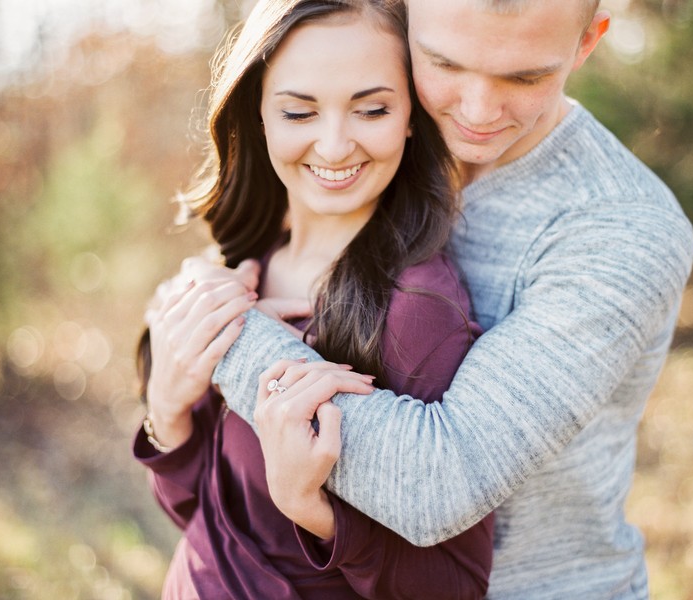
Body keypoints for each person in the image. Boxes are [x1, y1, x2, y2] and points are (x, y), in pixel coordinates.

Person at [164, 0, 693, 598]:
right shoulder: (370, 157)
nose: (476, 112)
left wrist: (217, 330)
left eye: (526, 77)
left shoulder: (623, 228)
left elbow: (440, 486)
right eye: (444, 63)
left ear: (587, 42)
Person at [134, 0, 494, 598]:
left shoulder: (416, 312)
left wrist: (311, 507)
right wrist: (166, 411)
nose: (332, 147)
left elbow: (456, 584)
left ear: (411, 114)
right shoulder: (246, 264)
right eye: (300, 112)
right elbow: (203, 521)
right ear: (259, 117)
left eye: (371, 109)